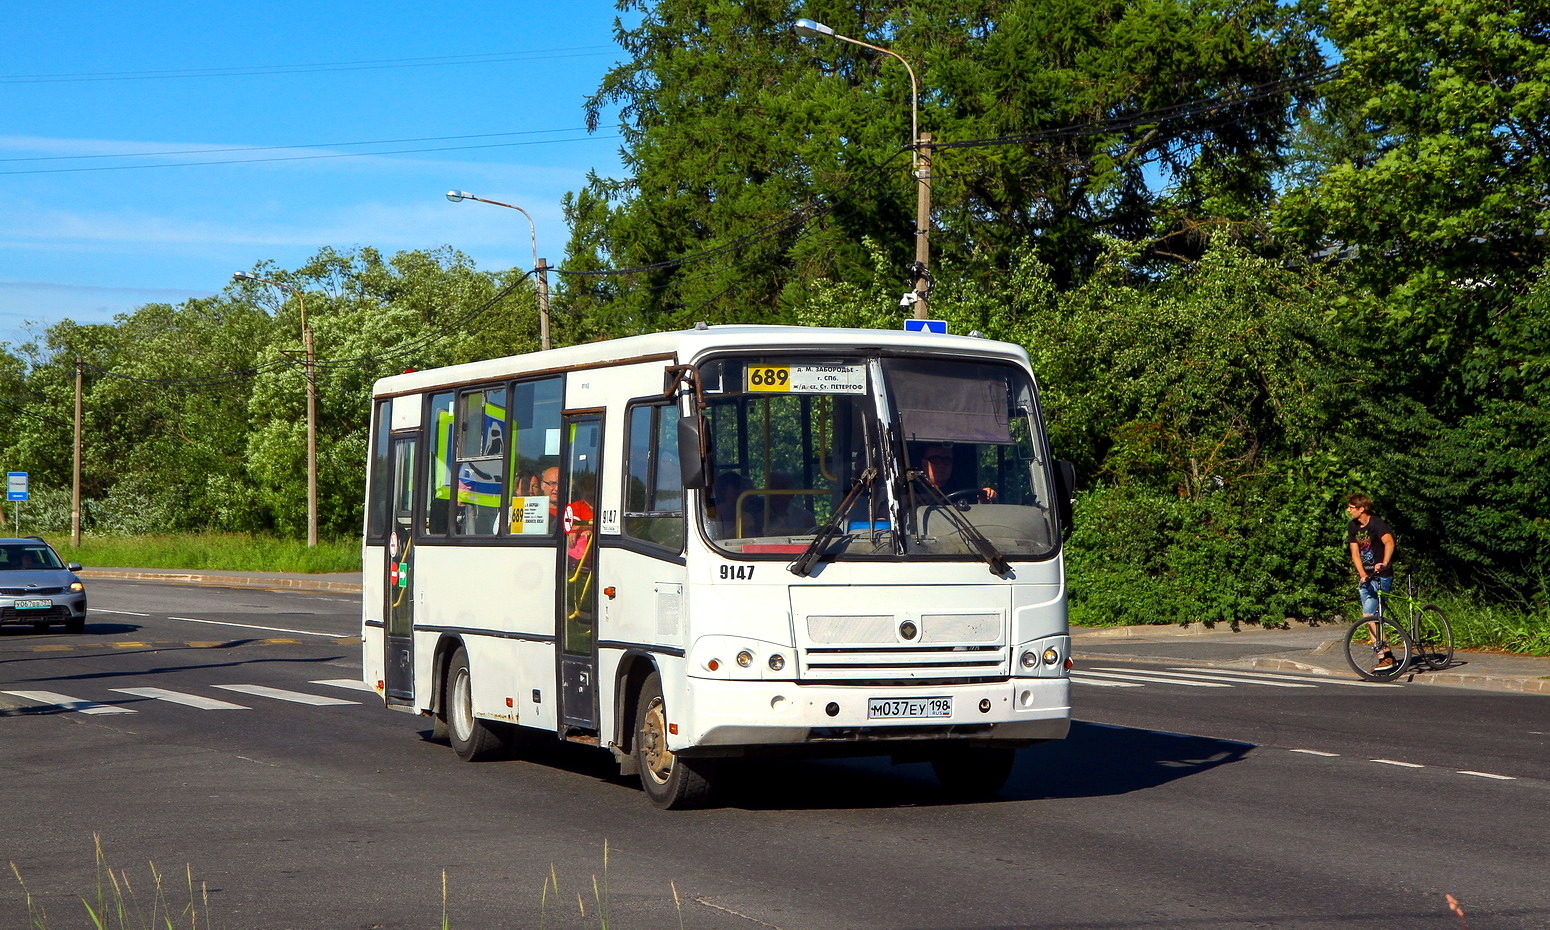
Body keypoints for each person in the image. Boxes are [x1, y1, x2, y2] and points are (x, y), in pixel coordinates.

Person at [1346, 493, 1399, 672]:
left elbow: (1389, 542)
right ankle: (1385, 657)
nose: (1348, 510)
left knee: (1370, 616)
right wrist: (1362, 574)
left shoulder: (1377, 523)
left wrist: (1384, 562)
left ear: (1362, 509)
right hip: (1367, 577)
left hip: (1381, 576)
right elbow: (1355, 553)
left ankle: (1387, 657)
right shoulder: (1353, 526)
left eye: (1351, 508)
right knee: (1369, 617)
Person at [918, 444, 996, 503]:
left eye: (947, 460)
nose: (941, 465)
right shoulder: (912, 494)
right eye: (935, 460)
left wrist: (983, 500)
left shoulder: (962, 491)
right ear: (925, 464)